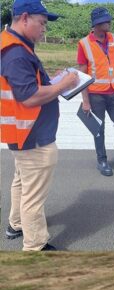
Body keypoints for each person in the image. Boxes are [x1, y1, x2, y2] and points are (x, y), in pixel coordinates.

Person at [1, 0, 80, 251]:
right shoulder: (16, 53)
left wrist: (51, 80)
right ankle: (35, 246)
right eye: (42, 23)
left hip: (22, 135)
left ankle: (16, 224)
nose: (45, 29)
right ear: (25, 17)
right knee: (33, 196)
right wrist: (64, 84)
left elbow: (28, 86)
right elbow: (30, 97)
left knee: (22, 182)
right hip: (32, 136)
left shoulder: (14, 45)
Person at [77, 7, 114, 176]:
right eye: (105, 20)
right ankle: (102, 160)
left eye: (109, 19)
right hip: (95, 95)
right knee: (98, 129)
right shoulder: (84, 44)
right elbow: (82, 75)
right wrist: (85, 101)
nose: (109, 22)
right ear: (96, 23)